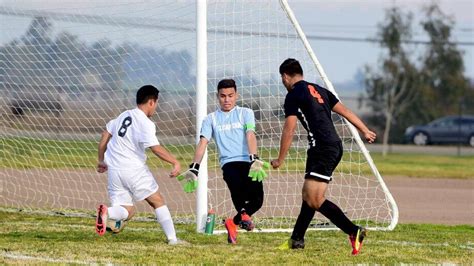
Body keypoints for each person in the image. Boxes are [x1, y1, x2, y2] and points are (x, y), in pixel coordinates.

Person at [271, 59, 376, 255]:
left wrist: (280, 159)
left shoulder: (293, 94)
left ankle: (354, 231)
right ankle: (296, 240)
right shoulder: (319, 89)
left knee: (315, 198)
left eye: (282, 79)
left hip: (323, 148)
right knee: (308, 195)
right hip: (330, 146)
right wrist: (364, 130)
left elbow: (289, 128)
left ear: (285, 76)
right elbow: (344, 111)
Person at [178, 78, 269, 244]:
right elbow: (203, 143)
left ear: (236, 95)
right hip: (229, 164)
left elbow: (250, 135)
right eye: (223, 96)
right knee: (237, 189)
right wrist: (194, 168)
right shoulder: (210, 119)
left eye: (230, 95)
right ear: (217, 96)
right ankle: (243, 216)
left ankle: (232, 223)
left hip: (249, 161)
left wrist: (254, 158)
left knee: (258, 201)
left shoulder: (245, 113)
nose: (226, 99)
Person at [95, 85, 185, 245]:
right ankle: (173, 240)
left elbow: (105, 134)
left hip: (114, 170)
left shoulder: (124, 115)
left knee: (128, 211)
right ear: (151, 102)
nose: (155, 108)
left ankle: (107, 212)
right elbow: (155, 148)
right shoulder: (146, 122)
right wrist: (174, 161)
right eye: (156, 103)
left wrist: (101, 160)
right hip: (133, 170)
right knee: (157, 200)